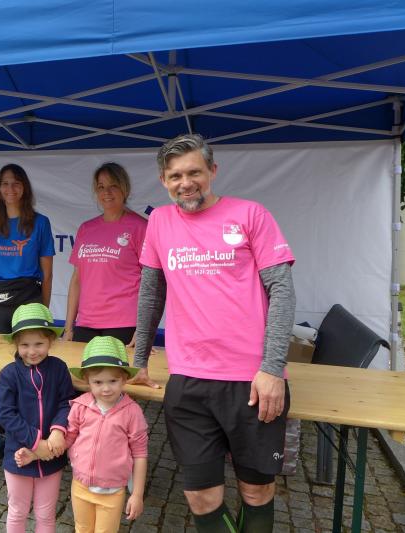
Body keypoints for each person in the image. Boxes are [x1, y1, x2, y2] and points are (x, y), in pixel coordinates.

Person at [130, 133, 296, 532]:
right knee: (201, 497)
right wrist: (139, 360)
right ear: (163, 180)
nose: (185, 183)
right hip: (188, 381)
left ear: (213, 171)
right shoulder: (160, 222)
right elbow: (151, 294)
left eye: (194, 173)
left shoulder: (251, 214)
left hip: (252, 381)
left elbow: (282, 291)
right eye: (175, 176)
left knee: (257, 491)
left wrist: (272, 369)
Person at [16, 336, 149, 532]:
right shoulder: (80, 406)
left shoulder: (132, 412)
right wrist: (35, 454)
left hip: (112, 491)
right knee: (82, 529)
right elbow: (67, 439)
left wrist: (137, 494)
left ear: (124, 379)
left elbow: (140, 454)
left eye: (113, 381)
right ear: (87, 381)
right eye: (98, 382)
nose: (106, 388)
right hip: (80, 486)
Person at [0, 163, 55, 462]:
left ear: (25, 188)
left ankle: (31, 435)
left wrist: (42, 312)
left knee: (31, 369)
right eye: (5, 183)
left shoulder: (40, 223)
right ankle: (2, 432)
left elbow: (47, 274)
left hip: (29, 299)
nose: (10, 189)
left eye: (16, 183)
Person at [0, 303, 75, 533]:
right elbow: (5, 414)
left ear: (50, 340)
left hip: (52, 455)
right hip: (18, 456)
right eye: (25, 345)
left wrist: (58, 431)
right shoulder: (9, 374)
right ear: (16, 344)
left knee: (46, 514)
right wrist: (35, 441)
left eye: (39, 344)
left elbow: (67, 402)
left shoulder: (59, 369)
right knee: (17, 512)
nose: (32, 351)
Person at [63, 163, 147, 346]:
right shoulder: (86, 228)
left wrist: (143, 329)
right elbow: (77, 279)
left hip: (124, 323)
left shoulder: (140, 227)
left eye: (113, 186)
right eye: (101, 187)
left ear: (125, 188)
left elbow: (152, 282)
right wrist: (68, 328)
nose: (106, 192)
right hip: (86, 323)